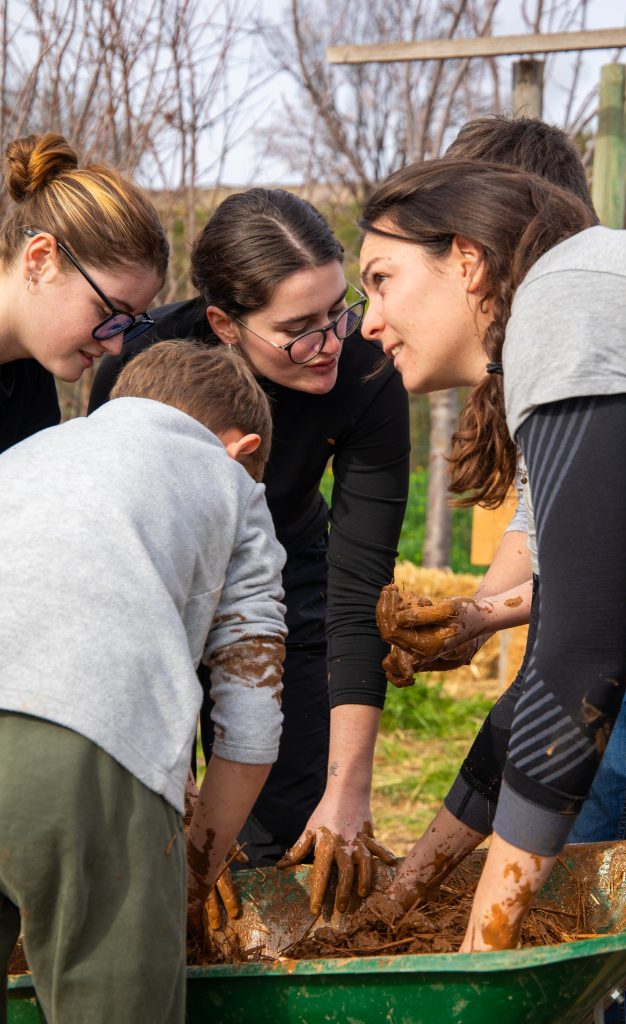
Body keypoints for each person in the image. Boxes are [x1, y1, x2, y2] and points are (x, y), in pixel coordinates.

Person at [377, 115, 626, 1023]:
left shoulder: (565, 295)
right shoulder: (581, 310)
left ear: (466, 260)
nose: (368, 321)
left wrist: (481, 954)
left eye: (382, 281)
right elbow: (553, 669)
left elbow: (582, 661)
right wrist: (409, 890)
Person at [88, 187, 410, 913]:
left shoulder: (363, 371)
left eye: (338, 311)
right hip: (159, 595)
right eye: (298, 328)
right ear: (223, 326)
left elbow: (358, 586)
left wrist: (347, 787)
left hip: (291, 580)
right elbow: (116, 557)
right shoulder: (141, 367)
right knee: (148, 833)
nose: (330, 341)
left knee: (281, 833)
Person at [0, 340, 287, 1024]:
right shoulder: (230, 483)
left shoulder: (27, 454)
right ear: (240, 448)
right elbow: (251, 719)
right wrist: (194, 873)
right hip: (77, 739)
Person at [0, 131, 167, 453]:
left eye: (127, 324)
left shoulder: (31, 377)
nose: (115, 345)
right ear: (41, 259)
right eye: (108, 313)